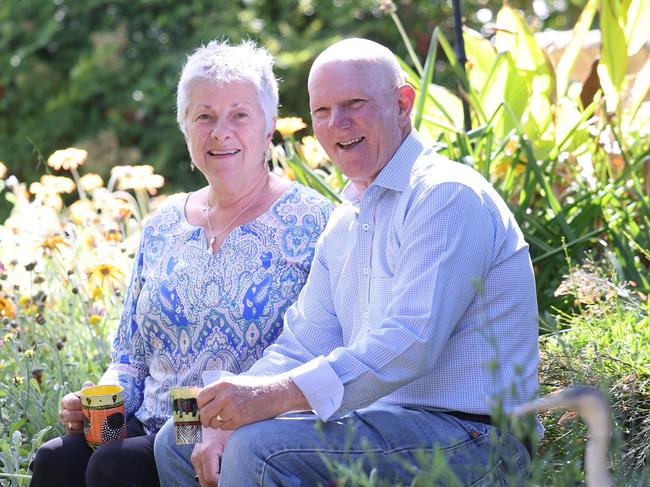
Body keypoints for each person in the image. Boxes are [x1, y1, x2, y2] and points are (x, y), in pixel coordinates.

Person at [155, 37, 540, 487]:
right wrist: (225, 418)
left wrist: (271, 398)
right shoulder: (347, 218)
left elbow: (410, 343)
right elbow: (301, 343)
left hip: (474, 437)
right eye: (322, 111)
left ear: (402, 103)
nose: (338, 123)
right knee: (176, 438)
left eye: (354, 103)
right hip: (379, 427)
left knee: (257, 448)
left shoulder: (446, 195)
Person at [29, 39, 333, 487]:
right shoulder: (164, 223)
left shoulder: (314, 221)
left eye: (239, 115)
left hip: (242, 433)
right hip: (149, 422)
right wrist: (95, 398)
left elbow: (318, 347)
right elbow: (129, 358)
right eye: (204, 116)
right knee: (56, 459)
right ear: (185, 128)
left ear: (269, 128)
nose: (220, 131)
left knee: (114, 467)